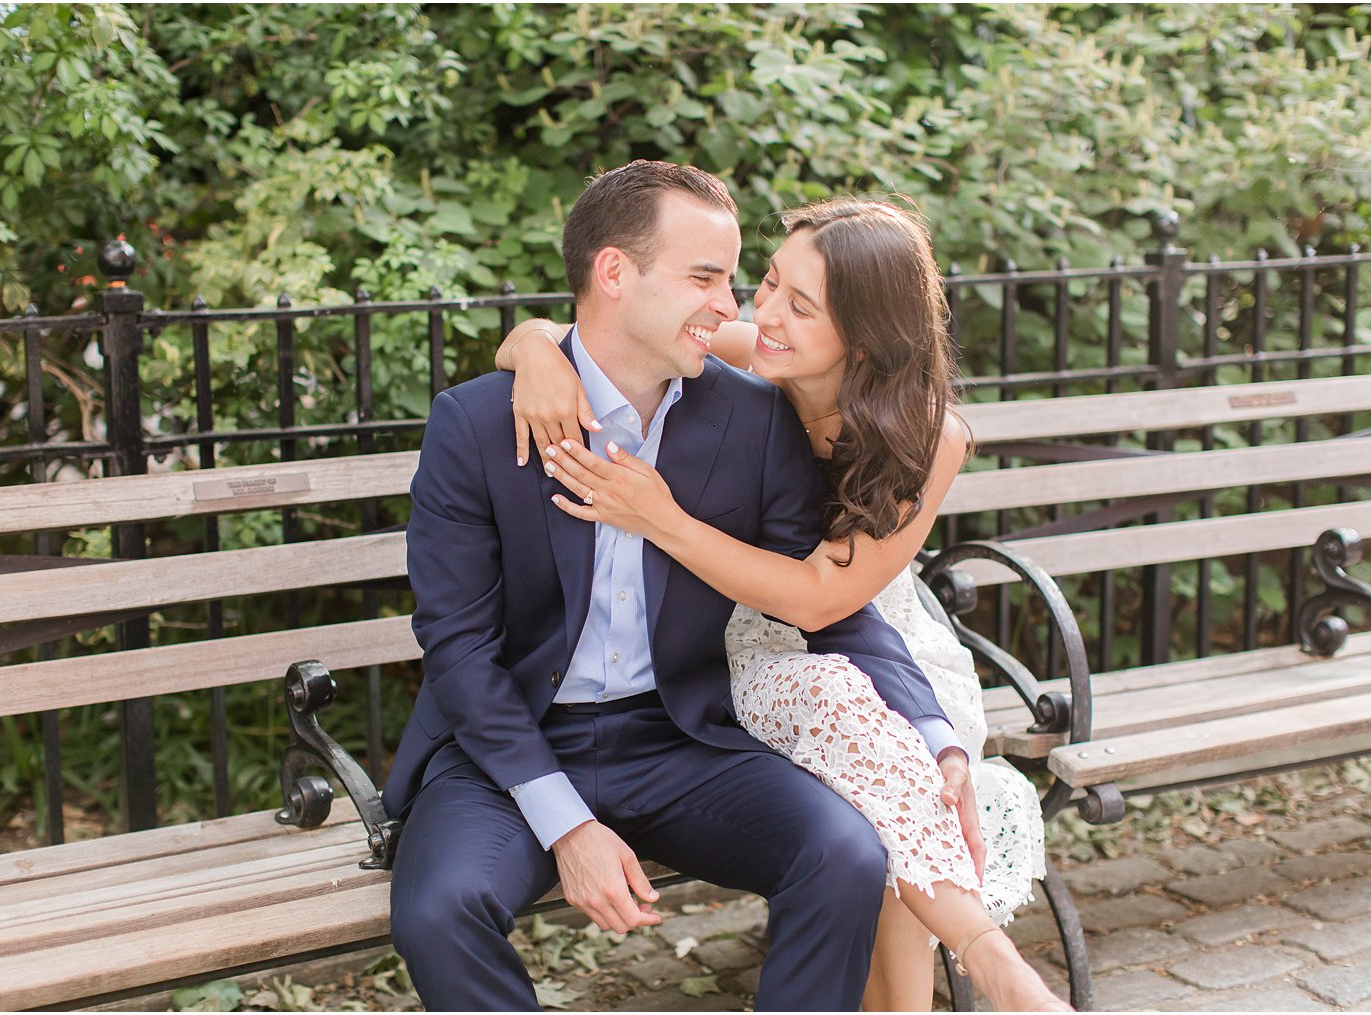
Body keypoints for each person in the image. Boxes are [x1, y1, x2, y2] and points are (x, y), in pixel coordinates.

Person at [383, 161, 983, 1012]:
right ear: (615, 273)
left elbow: (828, 611)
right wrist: (568, 824)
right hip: (508, 747)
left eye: (736, 279)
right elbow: (459, 650)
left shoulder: (750, 414)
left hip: (679, 735)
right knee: (439, 908)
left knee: (843, 851)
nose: (733, 307)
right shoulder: (477, 424)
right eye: (706, 278)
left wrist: (932, 733)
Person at [497, 197, 1066, 1012]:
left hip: (869, 638)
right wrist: (535, 355)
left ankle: (936, 989)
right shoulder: (753, 347)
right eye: (767, 282)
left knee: (890, 750)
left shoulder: (931, 438)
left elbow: (825, 602)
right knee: (858, 733)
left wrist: (666, 520)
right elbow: (560, 334)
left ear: (864, 338)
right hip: (733, 638)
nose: (759, 311)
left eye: (799, 305)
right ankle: (991, 961)